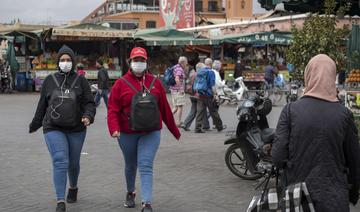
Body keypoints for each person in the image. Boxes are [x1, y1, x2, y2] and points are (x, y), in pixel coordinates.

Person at [271, 54, 360, 211]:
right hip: (334, 197)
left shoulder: (291, 111)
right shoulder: (344, 114)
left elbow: (278, 157)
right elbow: (354, 160)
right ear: (332, 77)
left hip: (299, 197)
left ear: (308, 75)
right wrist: (353, 192)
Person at [107, 47, 181, 212]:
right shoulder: (120, 84)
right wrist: (114, 128)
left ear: (146, 63)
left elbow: (165, 109)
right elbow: (112, 109)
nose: (138, 63)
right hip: (127, 133)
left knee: (146, 164)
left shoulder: (155, 83)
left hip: (151, 131)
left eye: (142, 60)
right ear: (130, 62)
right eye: (136, 60)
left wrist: (174, 130)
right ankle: (130, 191)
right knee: (131, 165)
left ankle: (146, 203)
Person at [29, 45, 96, 212]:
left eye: (68, 60)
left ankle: (73, 187)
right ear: (58, 61)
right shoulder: (49, 81)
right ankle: (60, 200)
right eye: (62, 60)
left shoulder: (81, 81)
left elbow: (89, 103)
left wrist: (88, 116)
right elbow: (42, 105)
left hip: (76, 128)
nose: (65, 62)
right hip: (53, 127)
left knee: (73, 163)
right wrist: (35, 124)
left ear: (73, 62)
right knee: (60, 160)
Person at [194, 58, 225, 133]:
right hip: (208, 95)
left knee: (200, 112)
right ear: (211, 64)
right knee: (213, 111)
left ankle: (197, 128)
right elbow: (212, 85)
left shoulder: (200, 72)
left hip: (200, 94)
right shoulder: (211, 72)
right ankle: (219, 127)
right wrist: (215, 94)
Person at [182, 62, 209, 131]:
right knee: (200, 110)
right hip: (199, 94)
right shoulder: (201, 75)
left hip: (192, 94)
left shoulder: (193, 74)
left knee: (194, 110)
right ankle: (200, 126)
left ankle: (186, 124)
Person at [170, 56, 187, 127]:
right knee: (180, 106)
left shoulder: (175, 67)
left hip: (173, 90)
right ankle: (178, 122)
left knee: (176, 107)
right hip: (178, 91)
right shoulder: (179, 69)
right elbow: (177, 79)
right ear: (183, 62)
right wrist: (181, 89)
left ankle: (166, 118)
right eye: (186, 63)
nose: (186, 64)